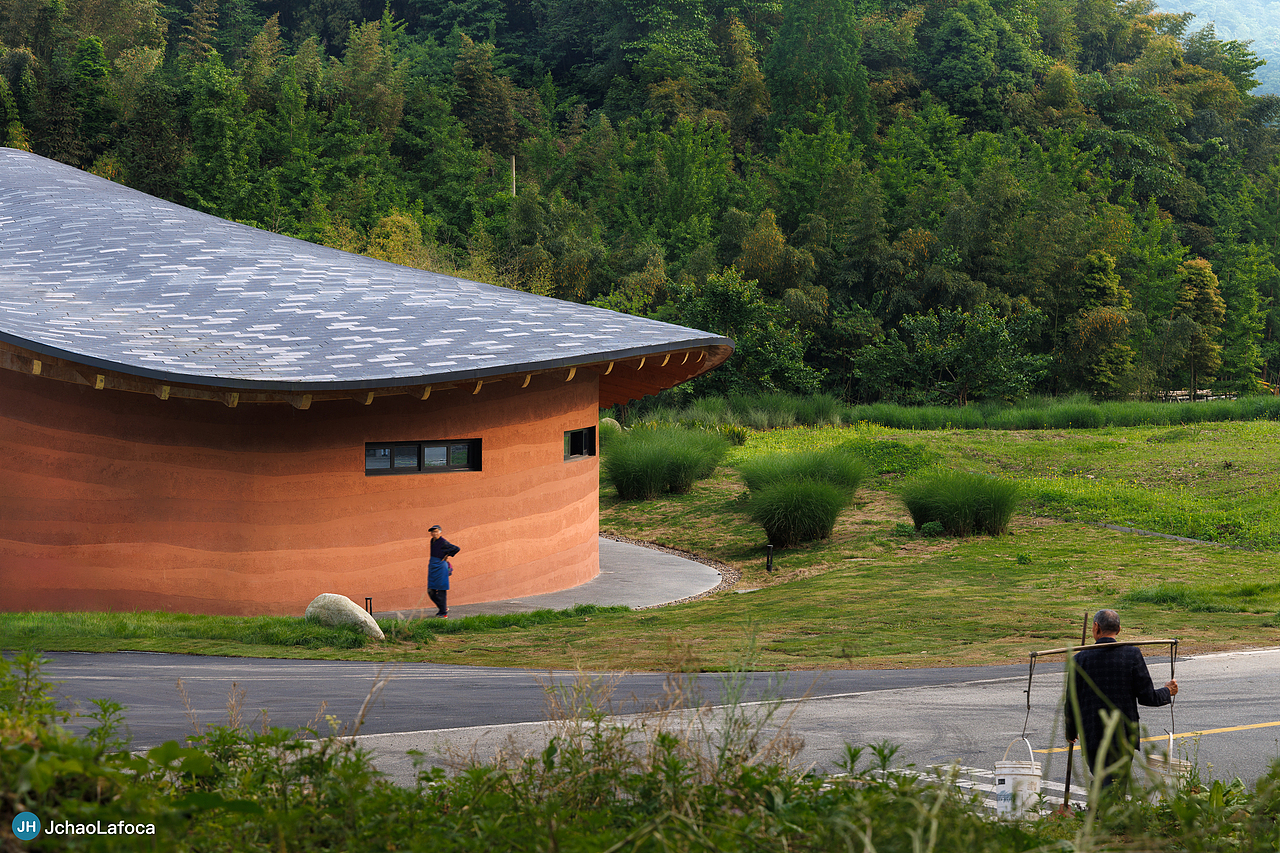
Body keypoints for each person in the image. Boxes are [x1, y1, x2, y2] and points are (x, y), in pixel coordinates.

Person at [1065, 609, 1178, 791]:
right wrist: (1168, 691)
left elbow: (1071, 702)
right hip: (1123, 735)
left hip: (1092, 734)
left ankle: (1099, 812)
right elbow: (1147, 697)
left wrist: (1070, 732)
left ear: (1096, 628)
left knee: (1105, 779)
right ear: (1118, 629)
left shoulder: (1079, 659)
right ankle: (1104, 813)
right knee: (1115, 783)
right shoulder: (1131, 655)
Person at [426, 525, 460, 618]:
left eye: (436, 531)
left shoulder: (443, 542)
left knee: (441, 591)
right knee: (430, 591)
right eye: (432, 532)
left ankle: (443, 613)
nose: (434, 533)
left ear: (440, 532)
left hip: (441, 568)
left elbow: (456, 548)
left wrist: (447, 556)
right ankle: (443, 607)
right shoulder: (432, 541)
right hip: (433, 567)